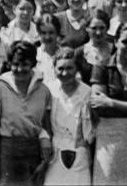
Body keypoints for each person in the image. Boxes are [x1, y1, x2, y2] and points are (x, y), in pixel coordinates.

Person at [0, 41, 52, 186]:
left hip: (34, 151)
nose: (20, 69)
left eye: (25, 64)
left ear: (33, 64)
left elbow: (47, 129)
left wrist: (45, 162)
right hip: (8, 151)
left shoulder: (43, 90)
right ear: (9, 64)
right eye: (16, 64)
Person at [45, 46, 93, 185]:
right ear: (54, 69)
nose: (65, 73)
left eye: (69, 68)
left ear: (76, 68)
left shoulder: (87, 92)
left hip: (80, 153)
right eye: (60, 68)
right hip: (54, 152)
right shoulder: (49, 89)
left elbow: (91, 127)